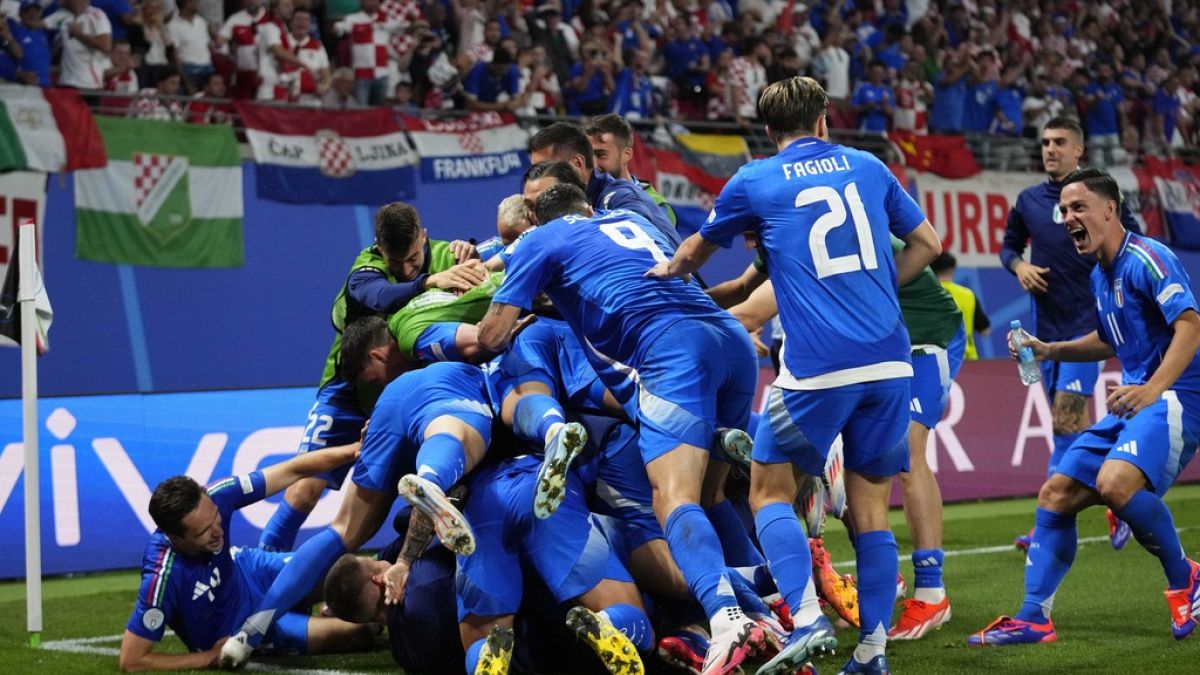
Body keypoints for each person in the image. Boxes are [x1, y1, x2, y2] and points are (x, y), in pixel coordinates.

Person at [649, 76, 942, 675]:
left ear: (767, 130)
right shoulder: (869, 165)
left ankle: (807, 619)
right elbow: (927, 243)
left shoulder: (755, 179)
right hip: (891, 360)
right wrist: (879, 289)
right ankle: (872, 652)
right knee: (871, 511)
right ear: (824, 120)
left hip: (818, 366)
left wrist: (662, 275)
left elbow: (696, 252)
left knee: (768, 490)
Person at [477, 184, 771, 675]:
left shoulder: (539, 242)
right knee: (712, 495)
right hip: (729, 339)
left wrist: (507, 303)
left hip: (668, 355)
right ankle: (782, 608)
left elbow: (490, 335)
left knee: (673, 500)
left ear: (536, 218)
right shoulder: (628, 219)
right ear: (588, 207)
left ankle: (727, 619)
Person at [969, 168, 1200, 646]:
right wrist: (1049, 349)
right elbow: (1109, 339)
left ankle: (1187, 579)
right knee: (1056, 493)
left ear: (1110, 209)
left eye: (1078, 207)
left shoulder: (1149, 257)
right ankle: (1034, 618)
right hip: (1137, 399)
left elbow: (1191, 325)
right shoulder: (1099, 275)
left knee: (1114, 483)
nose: (1067, 218)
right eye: (1063, 210)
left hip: (1177, 395)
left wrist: (1152, 388)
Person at [220, 360, 494, 668]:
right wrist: (405, 563)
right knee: (471, 451)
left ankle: (252, 629)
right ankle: (437, 480)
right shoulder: (484, 369)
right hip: (444, 407)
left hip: (390, 406)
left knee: (345, 528)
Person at [256, 202, 486, 554]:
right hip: (349, 389)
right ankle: (263, 563)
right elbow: (377, 295)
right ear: (380, 248)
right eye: (397, 262)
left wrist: (474, 255)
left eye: (414, 258)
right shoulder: (366, 269)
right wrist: (428, 281)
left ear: (423, 236)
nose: (406, 270)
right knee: (305, 488)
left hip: (407, 395)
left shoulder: (449, 256)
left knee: (381, 499)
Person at [1001, 116, 1140, 552]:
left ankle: (1049, 521)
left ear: (1079, 149)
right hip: (1044, 333)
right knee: (1067, 430)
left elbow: (1133, 242)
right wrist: (1019, 266)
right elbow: (1008, 246)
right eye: (1045, 141)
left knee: (1064, 419)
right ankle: (1116, 495)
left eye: (1059, 141)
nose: (1049, 148)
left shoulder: (1101, 197)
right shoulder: (1027, 201)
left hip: (1088, 326)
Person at [118, 444, 373, 671]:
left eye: (215, 517)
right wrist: (208, 657)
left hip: (252, 571)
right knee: (362, 632)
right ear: (175, 537)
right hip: (235, 631)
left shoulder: (218, 493)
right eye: (204, 531)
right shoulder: (162, 577)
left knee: (350, 574)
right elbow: (132, 660)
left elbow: (294, 469)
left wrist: (354, 449)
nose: (217, 532)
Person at [527, 122, 679, 246]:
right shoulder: (567, 203)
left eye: (546, 168)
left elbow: (643, 247)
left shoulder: (619, 196)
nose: (538, 176)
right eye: (536, 169)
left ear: (577, 163)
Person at [586, 112, 677, 226]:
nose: (593, 165)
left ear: (626, 155)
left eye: (601, 155)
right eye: (588, 155)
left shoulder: (657, 206)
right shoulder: (582, 196)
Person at [931, 252, 990, 361]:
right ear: (952, 269)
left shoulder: (929, 293)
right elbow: (985, 331)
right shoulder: (968, 294)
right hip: (968, 358)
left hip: (939, 358)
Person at [55, 0, 113, 90]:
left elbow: (106, 46)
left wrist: (79, 35)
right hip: (65, 82)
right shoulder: (62, 15)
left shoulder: (96, 15)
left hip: (87, 84)